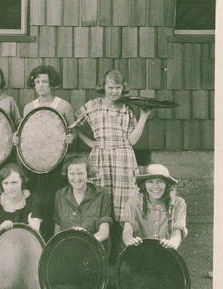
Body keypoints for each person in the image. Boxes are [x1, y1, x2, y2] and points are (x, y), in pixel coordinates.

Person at [74, 70, 151, 223]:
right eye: (110, 87)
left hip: (123, 159)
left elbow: (133, 140)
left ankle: (124, 239)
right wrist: (90, 143)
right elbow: (73, 125)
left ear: (123, 88)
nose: (114, 92)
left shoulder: (126, 109)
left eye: (117, 88)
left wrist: (144, 116)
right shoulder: (92, 106)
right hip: (100, 158)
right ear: (104, 87)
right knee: (100, 201)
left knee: (125, 203)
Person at [22, 66, 75, 238]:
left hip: (57, 165)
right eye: (37, 82)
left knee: (54, 202)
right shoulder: (29, 107)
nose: (41, 85)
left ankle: (54, 238)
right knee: (37, 203)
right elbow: (26, 136)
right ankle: (37, 238)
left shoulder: (63, 105)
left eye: (44, 81)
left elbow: (73, 132)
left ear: (51, 83)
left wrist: (71, 138)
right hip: (35, 165)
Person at [53, 155, 113, 255]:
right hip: (67, 250)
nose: (77, 178)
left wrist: (85, 241)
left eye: (80, 173)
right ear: (66, 174)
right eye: (72, 173)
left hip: (94, 250)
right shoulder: (60, 195)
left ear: (87, 173)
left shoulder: (102, 194)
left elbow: (104, 232)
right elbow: (57, 230)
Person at [122, 164, 187, 250]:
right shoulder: (134, 201)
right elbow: (128, 229)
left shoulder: (178, 203)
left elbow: (177, 232)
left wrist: (171, 244)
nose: (155, 186)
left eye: (160, 181)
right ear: (144, 185)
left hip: (166, 253)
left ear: (167, 184)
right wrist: (130, 242)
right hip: (139, 252)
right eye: (150, 182)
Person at [0, 163, 42, 234]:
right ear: (1, 184)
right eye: (6, 183)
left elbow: (35, 230)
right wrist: (1, 228)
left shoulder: (31, 199)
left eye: (14, 182)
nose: (10, 188)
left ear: (22, 181)